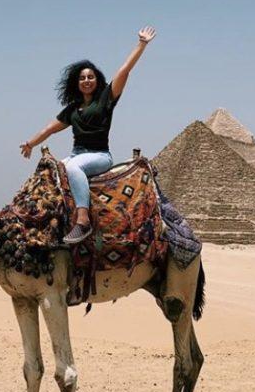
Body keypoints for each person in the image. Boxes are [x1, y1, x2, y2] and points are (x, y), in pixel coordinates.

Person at [20, 26, 157, 245]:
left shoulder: (105, 98)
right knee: (51, 171)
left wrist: (141, 44)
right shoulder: (73, 109)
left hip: (99, 155)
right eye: (82, 77)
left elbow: (124, 71)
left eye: (90, 77)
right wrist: (30, 143)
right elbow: (50, 128)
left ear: (97, 79)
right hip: (76, 153)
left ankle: (83, 221)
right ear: (77, 82)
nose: (86, 80)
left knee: (73, 168)